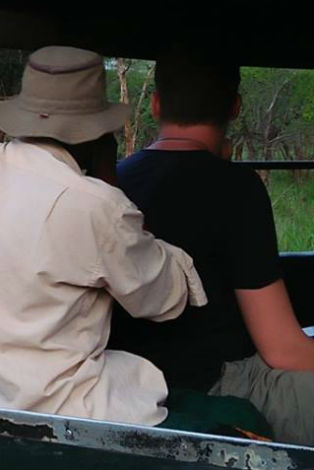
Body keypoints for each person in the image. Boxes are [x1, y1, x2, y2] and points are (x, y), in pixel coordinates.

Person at [0, 45, 207, 426]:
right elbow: (164, 298)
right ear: (96, 134)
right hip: (75, 415)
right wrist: (115, 196)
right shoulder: (94, 204)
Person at [109, 52, 314, 445]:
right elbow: (283, 350)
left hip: (127, 382)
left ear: (155, 104)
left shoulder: (111, 185)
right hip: (215, 383)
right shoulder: (237, 189)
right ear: (235, 107)